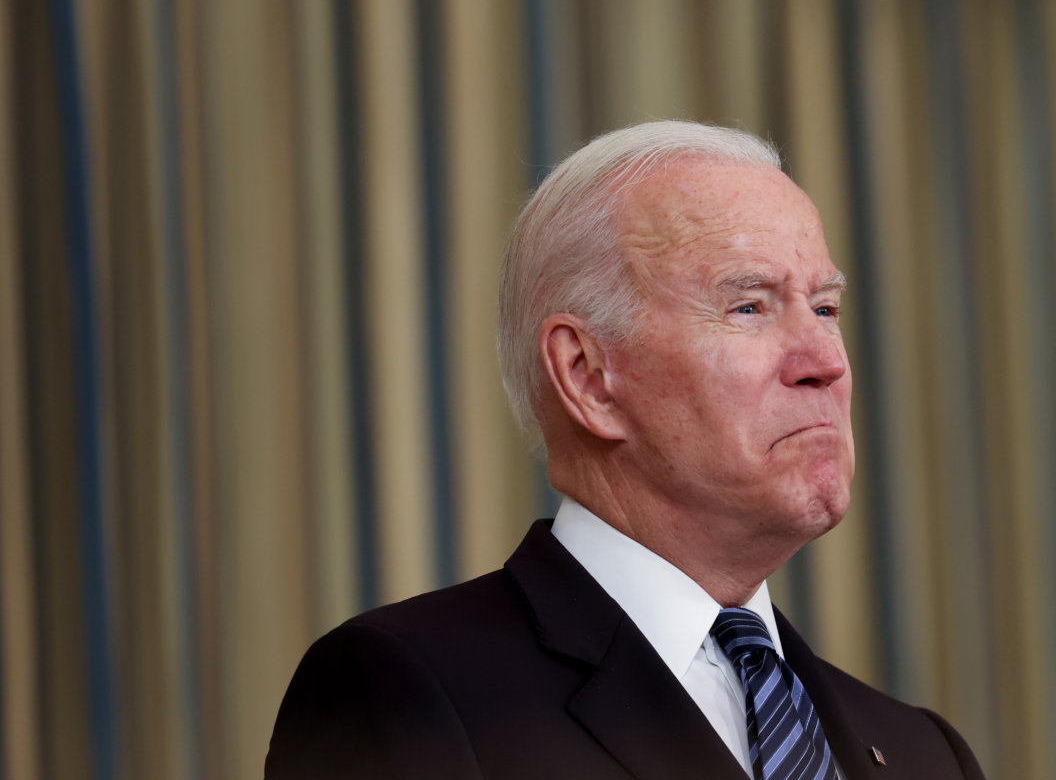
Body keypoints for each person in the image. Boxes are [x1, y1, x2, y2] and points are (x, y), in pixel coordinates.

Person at [264, 121, 986, 779]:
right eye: (749, 306)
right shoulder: (405, 694)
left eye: (826, 308)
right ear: (588, 378)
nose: (825, 359)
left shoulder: (928, 753)